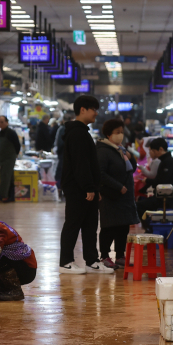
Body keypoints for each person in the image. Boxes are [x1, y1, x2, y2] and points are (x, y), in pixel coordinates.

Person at [59, 95, 114, 275]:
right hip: (78, 188)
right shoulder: (76, 133)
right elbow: (80, 164)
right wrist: (88, 187)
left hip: (87, 188)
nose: (96, 113)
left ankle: (91, 260)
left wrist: (95, 187)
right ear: (83, 109)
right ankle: (66, 261)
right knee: (73, 223)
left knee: (90, 225)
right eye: (93, 109)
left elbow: (89, 164)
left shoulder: (83, 132)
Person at [96, 119, 140, 269]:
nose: (120, 135)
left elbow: (131, 169)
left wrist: (130, 155)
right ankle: (105, 256)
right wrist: (118, 186)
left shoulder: (120, 150)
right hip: (110, 195)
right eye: (117, 132)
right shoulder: (103, 151)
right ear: (108, 134)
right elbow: (100, 174)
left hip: (125, 197)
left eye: (122, 132)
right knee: (109, 227)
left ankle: (120, 255)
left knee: (123, 227)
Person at [136, 138, 173, 220]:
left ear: (161, 149)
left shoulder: (167, 162)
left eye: (154, 151)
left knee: (138, 206)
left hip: (165, 199)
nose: (153, 153)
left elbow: (162, 181)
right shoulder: (164, 161)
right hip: (161, 196)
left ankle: (148, 228)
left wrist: (147, 181)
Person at [0, 116, 21, 203]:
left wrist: (15, 154)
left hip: (10, 157)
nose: (0, 124)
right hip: (2, 158)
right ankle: (11, 197)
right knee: (9, 177)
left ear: (7, 122)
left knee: (5, 177)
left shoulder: (11, 133)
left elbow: (17, 145)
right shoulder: (0, 133)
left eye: (2, 122)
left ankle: (3, 196)